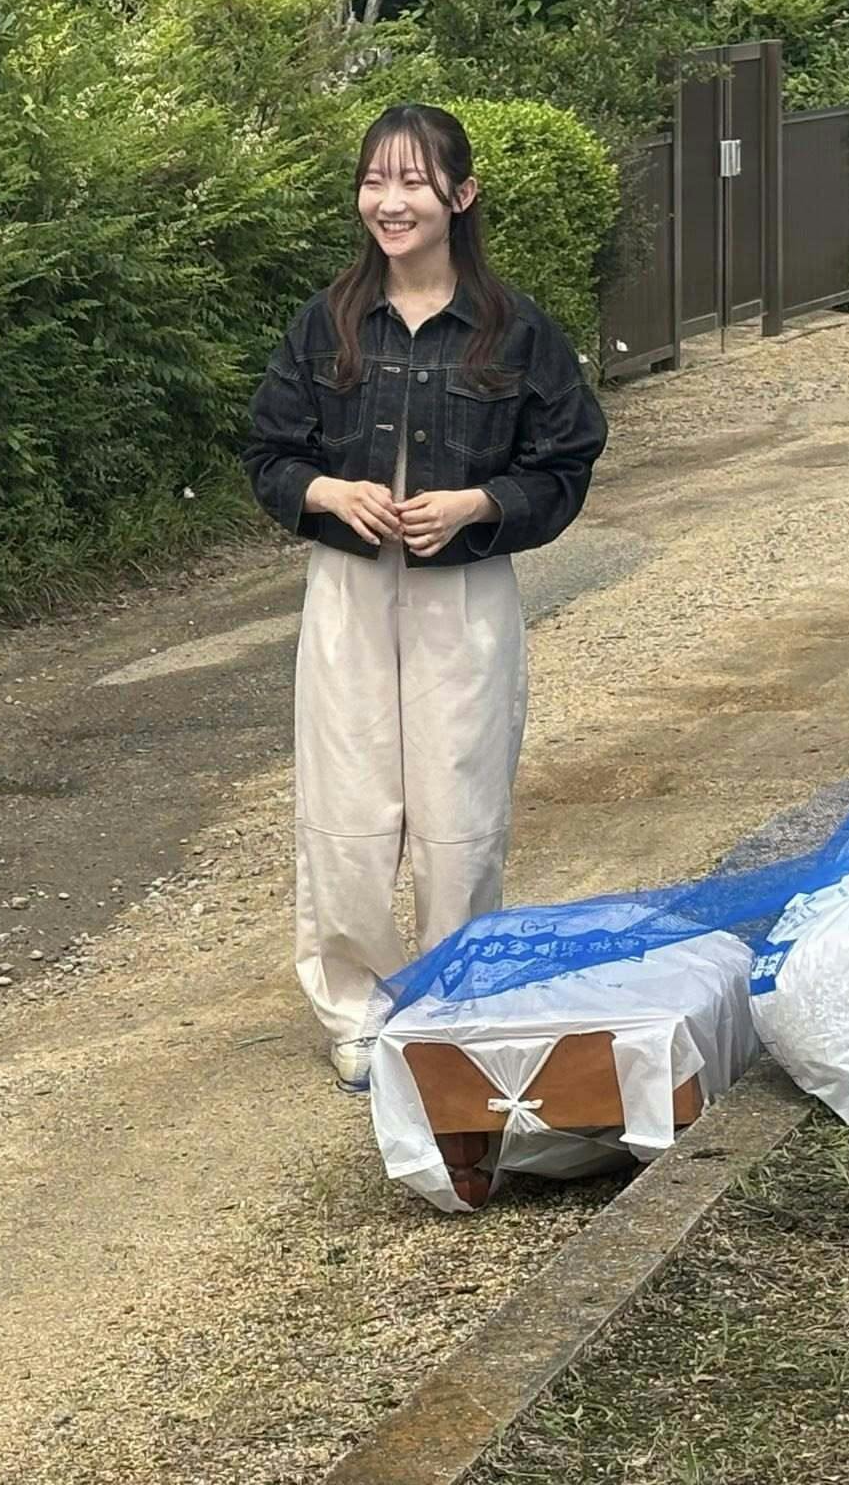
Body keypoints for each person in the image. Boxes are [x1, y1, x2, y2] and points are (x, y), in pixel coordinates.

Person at [243, 104, 608, 1093]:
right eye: (375, 181)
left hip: (465, 593)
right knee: (346, 801)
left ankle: (454, 1001)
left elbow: (566, 459)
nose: (390, 201)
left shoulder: (514, 330)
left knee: (458, 803)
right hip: (349, 590)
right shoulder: (327, 322)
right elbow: (269, 453)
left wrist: (478, 503)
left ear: (461, 194)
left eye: (412, 181)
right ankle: (356, 1008)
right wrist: (328, 491)